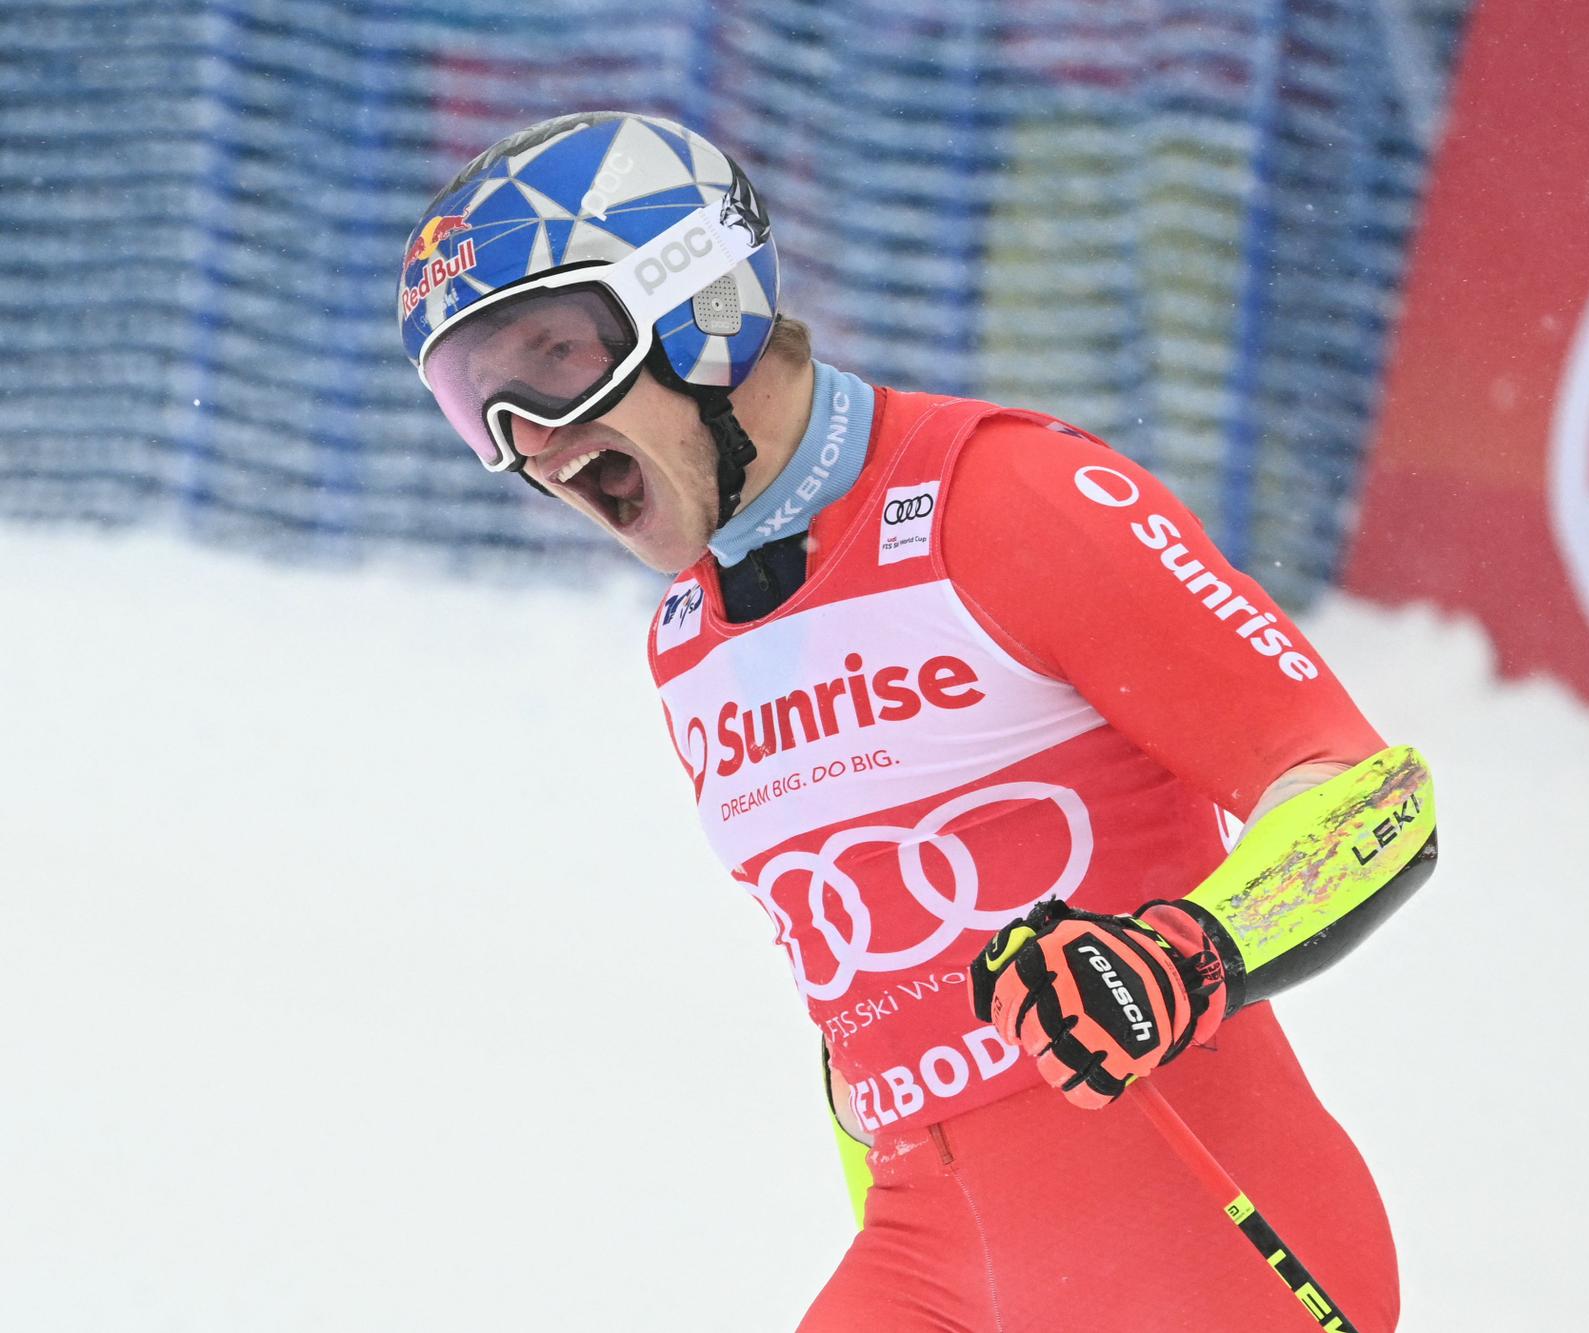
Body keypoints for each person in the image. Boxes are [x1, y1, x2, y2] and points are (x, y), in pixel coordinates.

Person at [397, 110, 1439, 1332]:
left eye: (555, 358)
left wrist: (1181, 953)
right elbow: (861, 1031)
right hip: (933, 1264)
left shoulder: (1010, 498)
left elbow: (1370, 792)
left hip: (1198, 1251)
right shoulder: (691, 644)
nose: (531, 438)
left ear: (698, 306)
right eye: (478, 404)